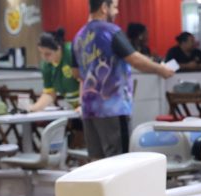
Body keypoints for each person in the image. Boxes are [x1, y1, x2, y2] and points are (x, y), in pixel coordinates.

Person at [72, 0, 175, 159]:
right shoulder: (110, 31)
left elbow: (76, 72)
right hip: (112, 108)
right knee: (118, 160)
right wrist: (160, 69)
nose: (117, 11)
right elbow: (134, 59)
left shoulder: (78, 37)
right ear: (104, 8)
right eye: (115, 7)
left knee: (97, 161)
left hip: (89, 110)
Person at [29, 29, 80, 112]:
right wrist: (34, 108)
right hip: (73, 107)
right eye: (41, 53)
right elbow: (50, 93)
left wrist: (84, 105)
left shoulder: (72, 53)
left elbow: (86, 82)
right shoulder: (46, 66)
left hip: (90, 104)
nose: (44, 57)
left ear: (58, 48)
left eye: (48, 54)